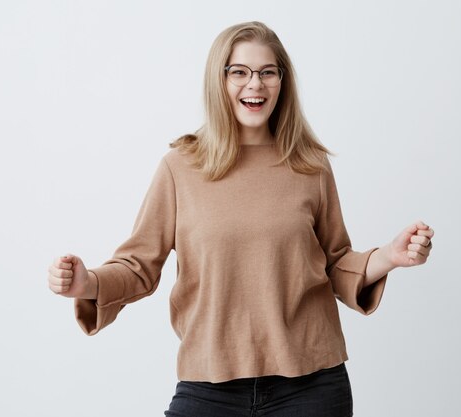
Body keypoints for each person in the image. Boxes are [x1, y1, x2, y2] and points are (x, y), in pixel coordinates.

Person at [47, 21, 434, 417]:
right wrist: (88, 283)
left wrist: (389, 256)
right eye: (240, 72)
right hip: (209, 385)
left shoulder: (310, 166)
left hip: (312, 385)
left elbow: (335, 262)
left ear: (283, 81)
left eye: (268, 72)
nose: (256, 84)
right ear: (220, 80)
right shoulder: (180, 167)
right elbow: (139, 267)